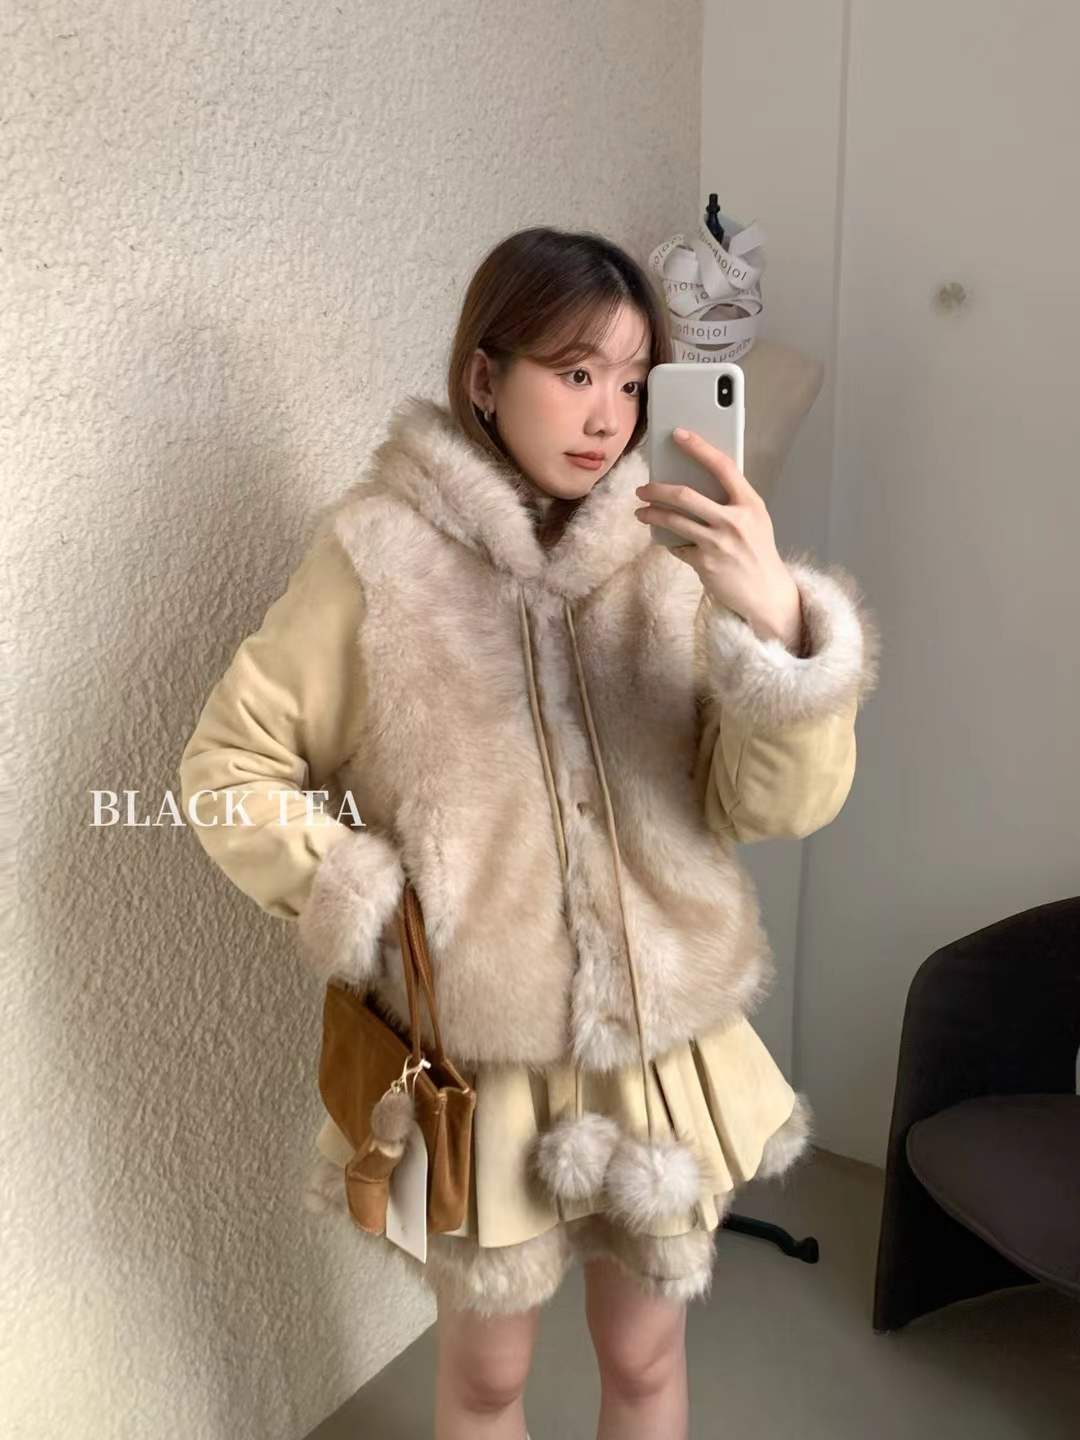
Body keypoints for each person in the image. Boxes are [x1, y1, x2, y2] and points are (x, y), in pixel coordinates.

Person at [179, 226, 880, 1440]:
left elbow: (769, 805)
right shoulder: (377, 557)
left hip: (660, 1043)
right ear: (484, 374)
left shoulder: (672, 555)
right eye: (575, 371)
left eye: (632, 380)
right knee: (488, 1378)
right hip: (483, 1058)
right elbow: (226, 767)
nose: (608, 414)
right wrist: (364, 893)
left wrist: (775, 632)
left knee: (646, 1361)